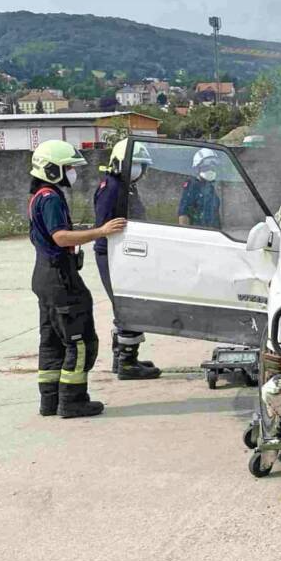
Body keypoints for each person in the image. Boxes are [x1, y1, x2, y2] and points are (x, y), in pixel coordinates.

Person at [28, 140, 126, 419]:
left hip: (45, 276)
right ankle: (73, 401)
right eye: (68, 167)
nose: (73, 173)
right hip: (61, 278)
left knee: (52, 341)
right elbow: (60, 237)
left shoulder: (39, 195)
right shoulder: (50, 198)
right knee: (81, 342)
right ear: (52, 169)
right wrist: (100, 231)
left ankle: (50, 401)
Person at [94, 139, 162, 381]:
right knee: (129, 306)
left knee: (125, 305)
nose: (138, 170)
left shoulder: (126, 186)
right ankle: (127, 363)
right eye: (134, 164)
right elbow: (105, 224)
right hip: (114, 254)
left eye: (141, 165)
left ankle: (123, 358)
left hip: (125, 253)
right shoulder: (112, 187)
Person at [178, 149, 224, 229]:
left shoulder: (210, 187)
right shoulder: (192, 186)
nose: (210, 170)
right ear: (197, 168)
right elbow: (183, 214)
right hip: (199, 233)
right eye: (206, 167)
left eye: (213, 167)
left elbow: (215, 214)